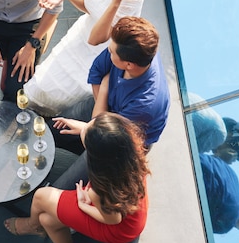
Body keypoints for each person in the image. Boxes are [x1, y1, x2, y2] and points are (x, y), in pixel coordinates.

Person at [3, 113, 150, 243]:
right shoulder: (127, 154)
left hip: (117, 227)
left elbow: (113, 219)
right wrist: (85, 128)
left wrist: (84, 206)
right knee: (47, 219)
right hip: (128, 215)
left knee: (41, 196)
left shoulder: (101, 189)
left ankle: (32, 225)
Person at [24, 0, 150, 117]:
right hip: (81, 33)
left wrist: (116, 1)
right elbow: (90, 7)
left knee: (62, 100)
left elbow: (98, 39)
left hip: (99, 52)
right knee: (42, 84)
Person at [54, 16, 170, 155]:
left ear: (128, 65)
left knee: (75, 171)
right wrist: (100, 110)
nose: (108, 52)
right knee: (53, 130)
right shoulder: (136, 51)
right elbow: (97, 70)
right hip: (108, 105)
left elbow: (103, 131)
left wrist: (104, 90)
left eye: (111, 52)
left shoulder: (145, 104)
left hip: (123, 140)